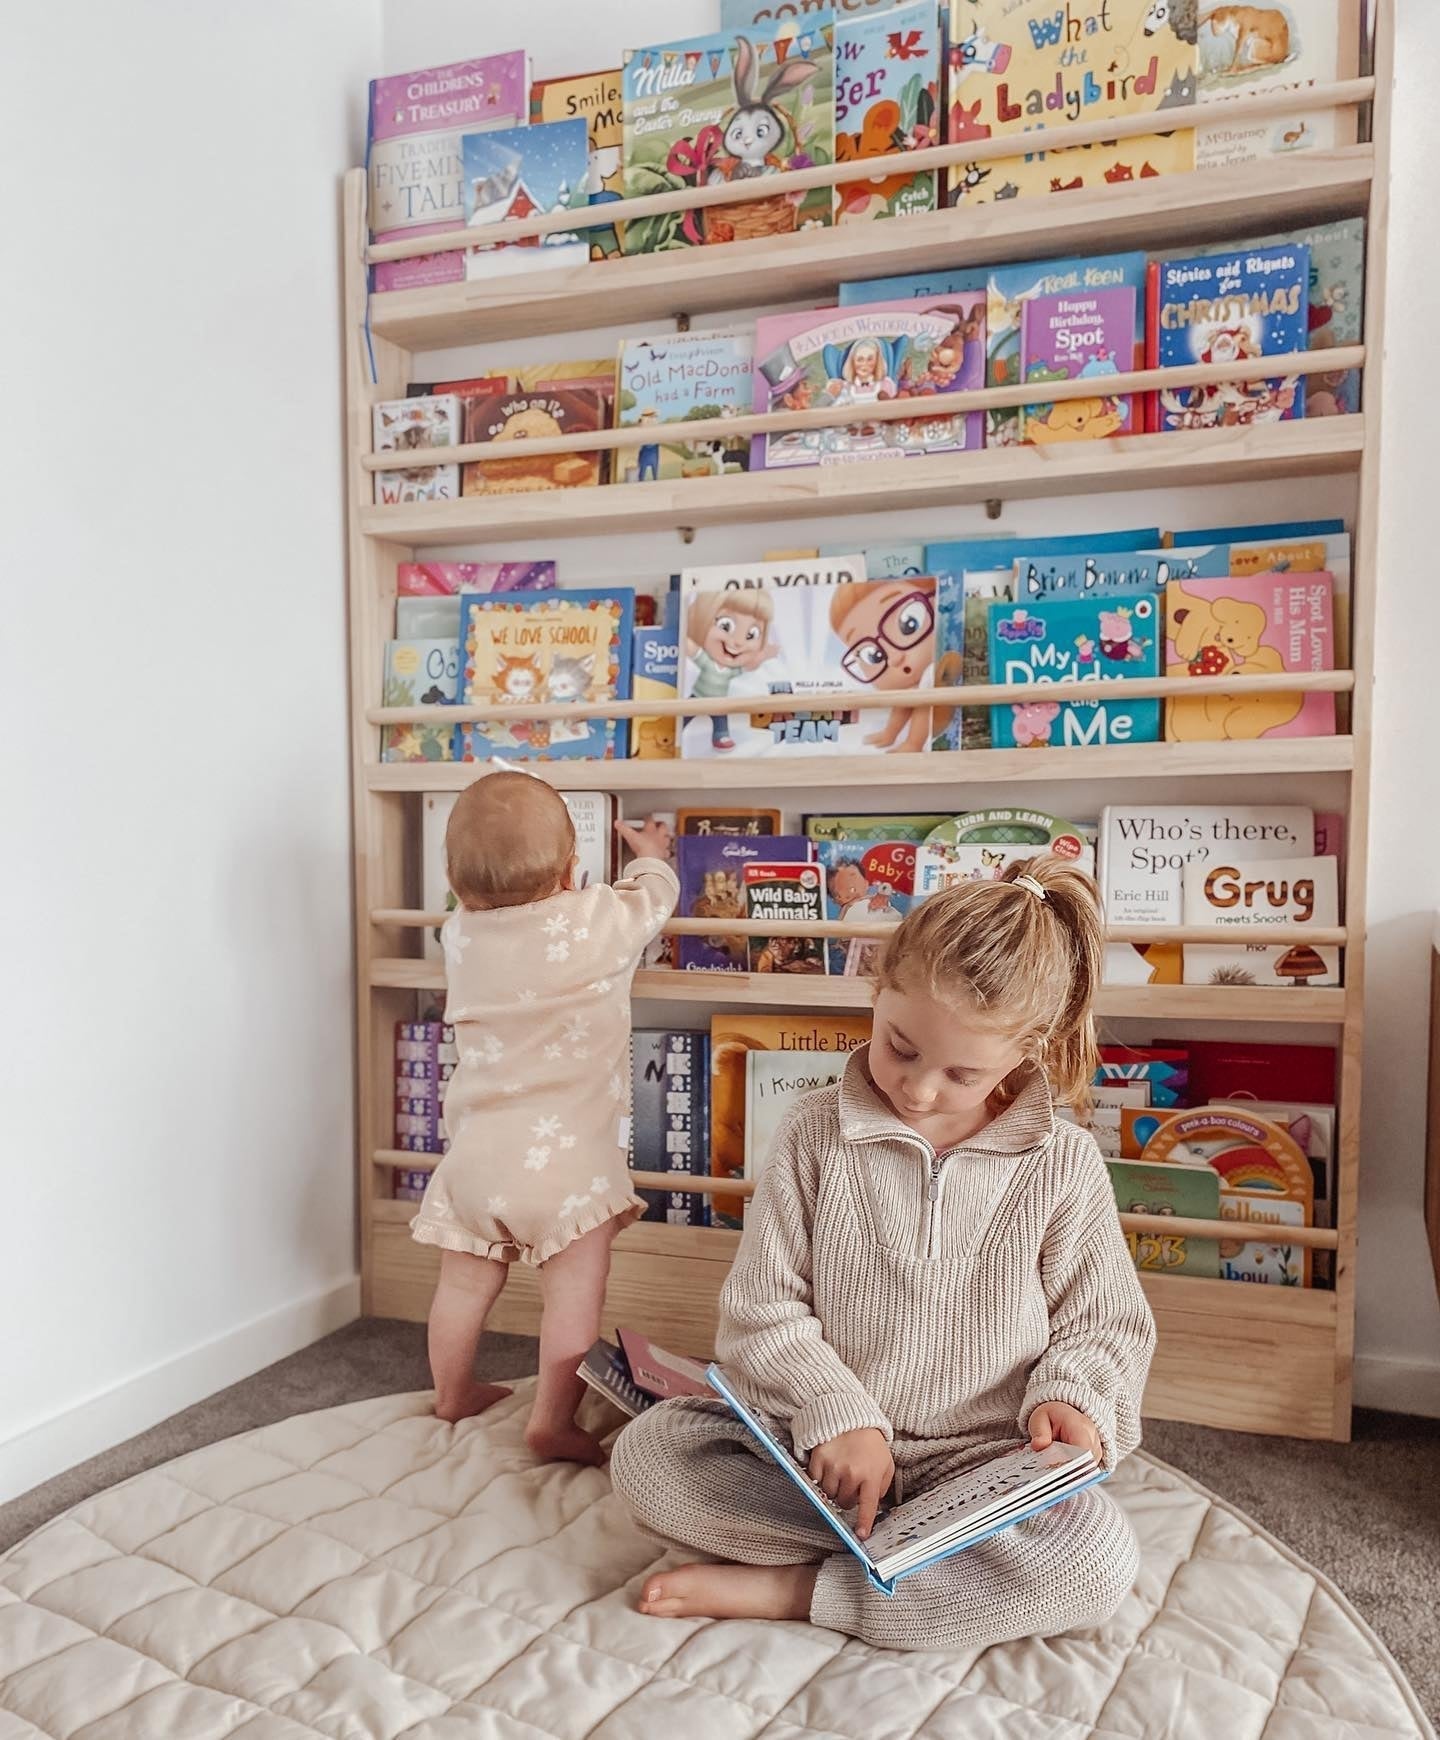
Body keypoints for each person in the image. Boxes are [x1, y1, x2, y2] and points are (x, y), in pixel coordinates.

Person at [610, 855, 1156, 1647]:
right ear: (877, 990)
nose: (920, 1089)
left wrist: (1072, 1399)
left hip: (977, 1466)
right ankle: (914, 1568)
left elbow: (1104, 1323)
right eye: (900, 1047)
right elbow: (761, 1309)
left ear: (1026, 1054)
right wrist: (837, 1415)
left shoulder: (1063, 1164)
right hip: (823, 1460)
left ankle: (805, 1592)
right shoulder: (812, 1132)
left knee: (1095, 1560)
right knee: (652, 1457)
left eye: (961, 1073)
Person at [411, 772, 676, 1464]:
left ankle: (452, 1391)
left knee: (464, 1286)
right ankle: (552, 1421)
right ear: (571, 870)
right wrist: (650, 852)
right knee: (573, 1297)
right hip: (567, 1171)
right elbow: (655, 897)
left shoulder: (459, 934)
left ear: (453, 881)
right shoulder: (596, 919)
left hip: (474, 1162)